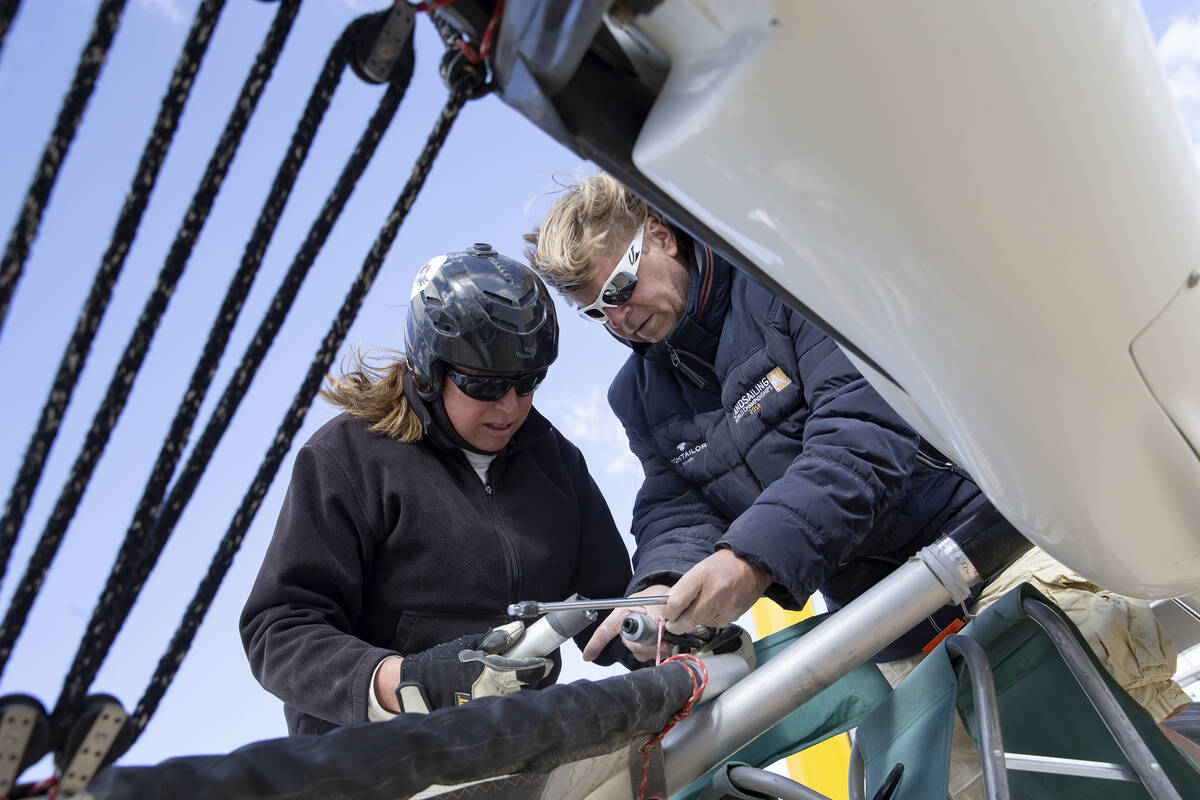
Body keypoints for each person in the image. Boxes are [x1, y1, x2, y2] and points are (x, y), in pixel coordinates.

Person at [524, 173, 1197, 786]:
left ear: (662, 236)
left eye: (618, 291)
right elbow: (676, 506)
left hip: (996, 555)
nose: (616, 319)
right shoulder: (638, 396)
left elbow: (864, 435)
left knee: (1125, 736)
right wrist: (660, 588)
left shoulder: (780, 276)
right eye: (595, 313)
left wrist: (750, 561)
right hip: (889, 629)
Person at [240, 243, 637, 736]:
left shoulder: (556, 462)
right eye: (485, 385)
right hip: (374, 766)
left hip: (520, 751)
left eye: (528, 381)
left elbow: (613, 605)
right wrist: (410, 683)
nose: (511, 407)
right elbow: (279, 630)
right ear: (430, 368)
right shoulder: (347, 458)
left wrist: (668, 633)